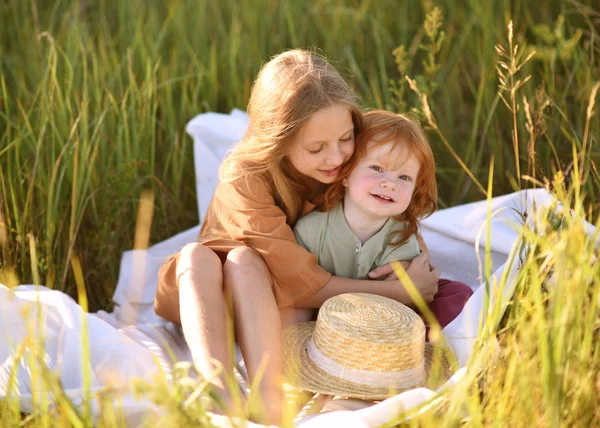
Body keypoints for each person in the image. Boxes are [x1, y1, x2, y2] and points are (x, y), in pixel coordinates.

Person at [153, 50, 439, 424]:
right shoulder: (244, 177)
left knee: (244, 262)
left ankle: (269, 396)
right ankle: (216, 387)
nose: (335, 157)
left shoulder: (346, 167)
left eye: (346, 138)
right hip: (218, 297)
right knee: (208, 257)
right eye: (316, 148)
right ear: (278, 141)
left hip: (281, 305)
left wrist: (410, 264)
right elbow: (300, 282)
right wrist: (401, 291)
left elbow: (391, 209)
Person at [294, 110, 474, 336]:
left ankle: (424, 345)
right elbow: (300, 289)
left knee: (458, 295)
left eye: (404, 177)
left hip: (382, 325)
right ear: (346, 174)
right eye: (377, 169)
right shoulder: (311, 230)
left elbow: (401, 306)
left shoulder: (401, 239)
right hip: (325, 319)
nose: (390, 184)